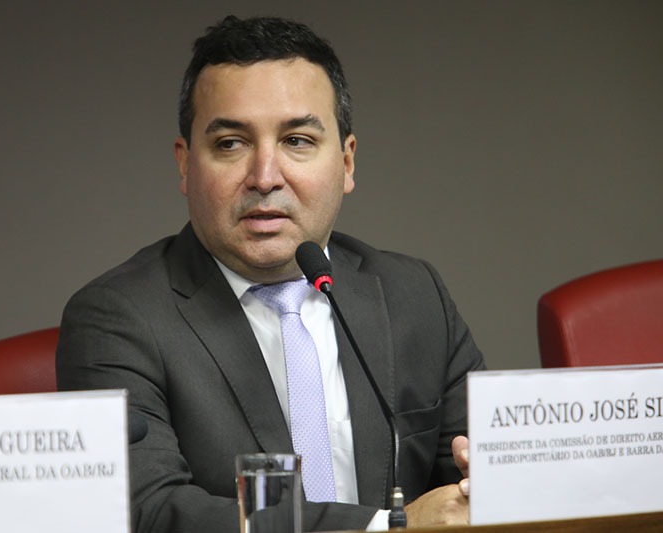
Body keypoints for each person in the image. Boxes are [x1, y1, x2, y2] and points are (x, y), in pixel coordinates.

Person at [56, 15, 486, 532]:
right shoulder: (116, 319)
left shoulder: (412, 294)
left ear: (347, 162)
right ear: (185, 165)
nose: (264, 177)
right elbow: (150, 511)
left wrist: (489, 486)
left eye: (297, 140)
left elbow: (482, 480)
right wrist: (385, 528)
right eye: (230, 143)